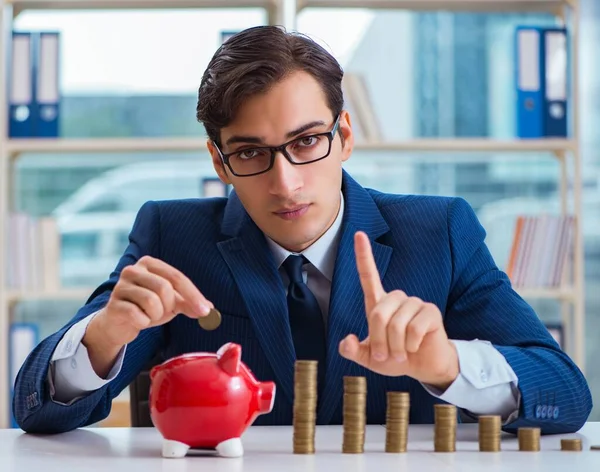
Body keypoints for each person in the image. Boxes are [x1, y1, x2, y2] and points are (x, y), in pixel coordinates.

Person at [13, 25, 592, 435]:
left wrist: (449, 366)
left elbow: (566, 393)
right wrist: (102, 338)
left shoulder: (437, 231)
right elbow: (36, 409)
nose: (285, 183)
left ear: (343, 135)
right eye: (249, 153)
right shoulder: (172, 235)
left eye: (306, 142)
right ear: (219, 162)